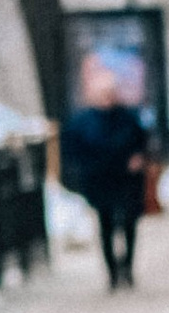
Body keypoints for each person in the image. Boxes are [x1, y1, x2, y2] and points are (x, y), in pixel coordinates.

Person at [59, 53, 151, 292]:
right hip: (100, 181)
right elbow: (73, 149)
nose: (108, 98)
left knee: (129, 224)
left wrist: (138, 158)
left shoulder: (128, 118)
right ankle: (112, 273)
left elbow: (143, 142)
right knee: (106, 225)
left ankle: (128, 268)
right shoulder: (83, 122)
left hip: (127, 180)